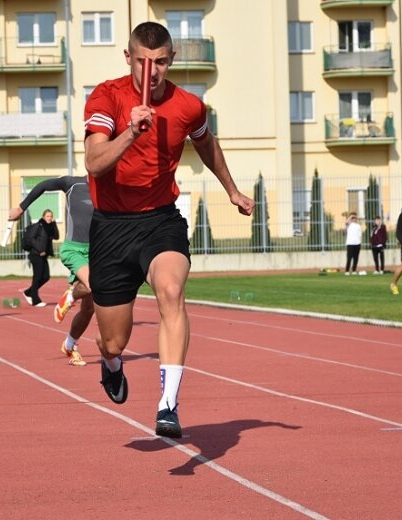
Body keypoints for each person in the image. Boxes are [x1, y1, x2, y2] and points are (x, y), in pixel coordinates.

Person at [83, 21, 254, 438]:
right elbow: (93, 163)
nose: (152, 71)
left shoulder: (188, 105)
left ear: (171, 60)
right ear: (129, 59)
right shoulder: (107, 96)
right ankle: (111, 367)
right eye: (143, 61)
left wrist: (231, 189)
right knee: (113, 342)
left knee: (172, 291)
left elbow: (206, 143)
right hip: (111, 227)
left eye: (160, 62)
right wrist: (130, 131)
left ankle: (168, 404)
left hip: (161, 219)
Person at [8, 176, 93, 367]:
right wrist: (22, 207)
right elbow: (44, 185)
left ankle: (69, 345)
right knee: (94, 284)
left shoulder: (110, 187)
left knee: (88, 309)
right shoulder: (73, 183)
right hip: (75, 249)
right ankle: (71, 295)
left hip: (97, 251)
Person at [22, 209, 59, 308]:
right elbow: (31, 238)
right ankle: (35, 300)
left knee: (46, 277)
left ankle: (28, 292)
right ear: (43, 217)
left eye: (51, 216)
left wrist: (54, 224)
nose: (49, 218)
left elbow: (56, 236)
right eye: (47, 216)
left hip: (44, 255)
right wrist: (39, 249)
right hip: (35, 254)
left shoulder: (50, 227)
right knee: (37, 277)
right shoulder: (38, 226)